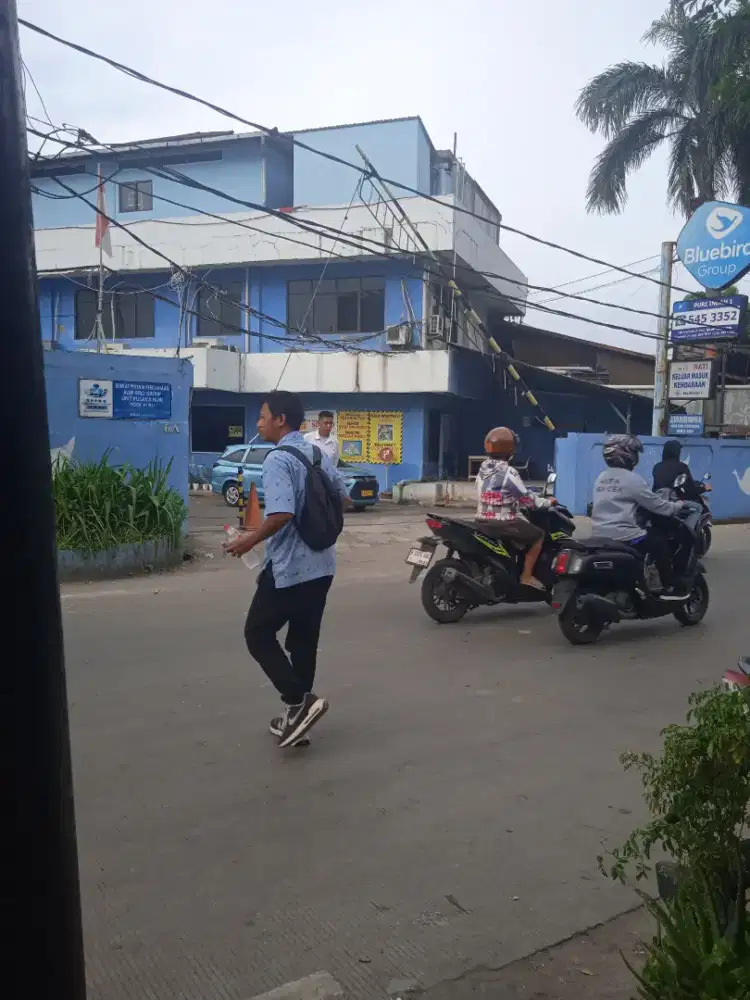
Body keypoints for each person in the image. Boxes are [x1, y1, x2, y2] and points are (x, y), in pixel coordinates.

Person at [224, 391, 349, 748]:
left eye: (263, 416)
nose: (259, 422)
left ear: (281, 419)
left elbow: (281, 514)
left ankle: (299, 702)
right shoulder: (317, 453)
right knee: (303, 641)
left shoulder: (278, 459)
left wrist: (249, 540)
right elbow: (344, 497)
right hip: (322, 564)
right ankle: (299, 722)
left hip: (290, 567)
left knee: (258, 633)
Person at [591, 434, 685, 599]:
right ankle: (667, 587)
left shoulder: (601, 477)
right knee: (659, 544)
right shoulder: (632, 479)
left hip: (599, 533)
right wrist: (677, 506)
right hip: (626, 536)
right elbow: (657, 505)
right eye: (635, 452)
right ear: (627, 454)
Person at [475, 426, 554, 591]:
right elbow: (527, 500)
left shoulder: (482, 469)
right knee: (538, 535)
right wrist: (547, 502)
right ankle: (526, 576)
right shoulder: (509, 472)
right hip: (503, 522)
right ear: (509, 448)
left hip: (482, 519)